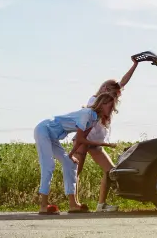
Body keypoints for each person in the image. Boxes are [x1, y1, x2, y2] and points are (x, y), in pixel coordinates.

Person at [71, 57, 139, 212]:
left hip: (96, 143)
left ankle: (101, 205)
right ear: (102, 88)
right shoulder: (94, 100)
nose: (110, 91)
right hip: (84, 140)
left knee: (110, 171)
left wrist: (134, 65)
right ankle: (74, 203)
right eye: (107, 88)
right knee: (76, 171)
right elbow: (87, 121)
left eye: (112, 90)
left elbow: (123, 82)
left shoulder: (111, 100)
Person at [34, 93, 118, 215]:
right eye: (110, 107)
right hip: (44, 129)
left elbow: (82, 138)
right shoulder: (87, 114)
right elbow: (80, 139)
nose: (112, 110)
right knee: (48, 165)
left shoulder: (94, 119)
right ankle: (43, 205)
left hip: (53, 136)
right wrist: (106, 145)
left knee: (71, 163)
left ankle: (73, 205)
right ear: (103, 104)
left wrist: (71, 155)